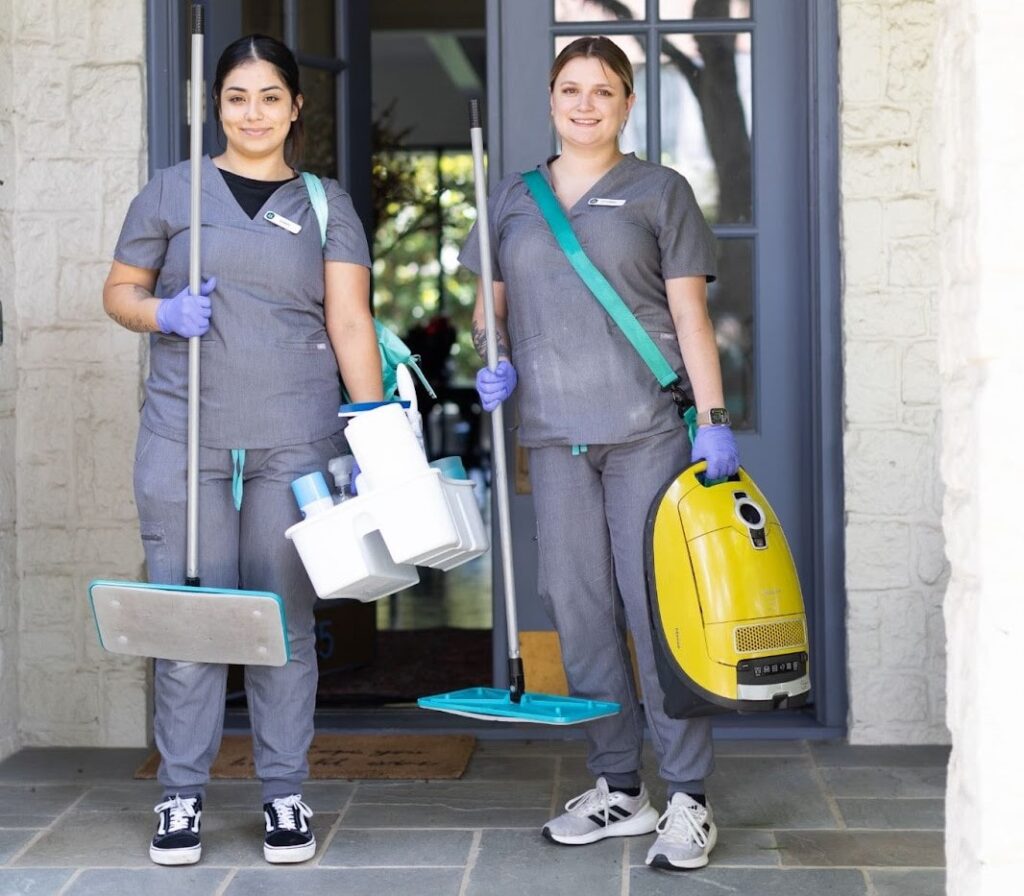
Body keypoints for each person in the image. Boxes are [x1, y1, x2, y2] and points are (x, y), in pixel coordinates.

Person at [460, 36, 739, 872]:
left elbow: (690, 317)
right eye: (571, 89)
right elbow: (490, 308)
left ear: (626, 105)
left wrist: (714, 416)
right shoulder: (511, 198)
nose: (586, 104)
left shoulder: (661, 191)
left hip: (646, 431)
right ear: (551, 99)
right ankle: (620, 785)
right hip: (551, 433)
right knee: (578, 612)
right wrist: (489, 356)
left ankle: (688, 796)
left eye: (604, 92)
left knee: (657, 616)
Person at [103, 34, 381, 866]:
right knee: (188, 616)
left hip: (294, 441)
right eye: (236, 97)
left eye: (269, 97)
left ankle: (284, 793)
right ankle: (181, 797)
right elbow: (120, 291)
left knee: (281, 622)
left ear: (296, 107)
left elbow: (350, 321)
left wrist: (371, 425)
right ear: (214, 105)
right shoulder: (171, 192)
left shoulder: (326, 206)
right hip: (185, 434)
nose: (252, 113)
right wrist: (162, 314)